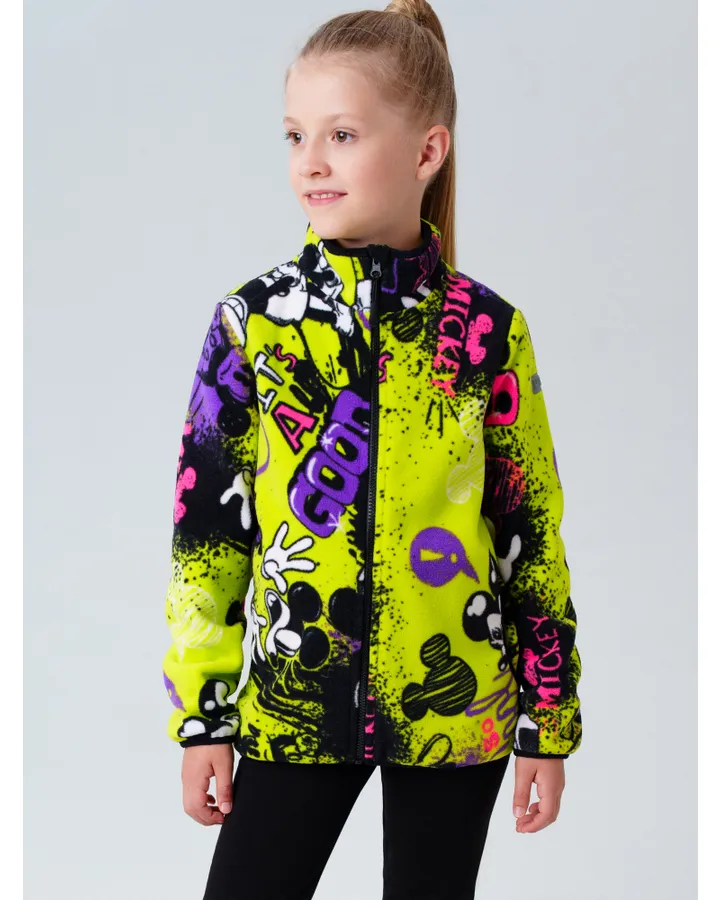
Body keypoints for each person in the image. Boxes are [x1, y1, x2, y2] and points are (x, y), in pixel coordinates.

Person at [161, 1, 583, 897]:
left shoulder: (486, 333)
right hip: (294, 705)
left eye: (342, 135)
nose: (310, 161)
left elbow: (530, 535)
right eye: (295, 135)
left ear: (428, 151)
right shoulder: (254, 324)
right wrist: (204, 717)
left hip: (456, 709)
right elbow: (207, 535)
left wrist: (548, 722)